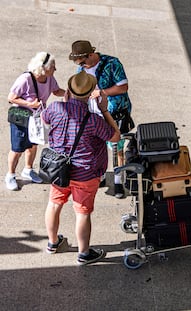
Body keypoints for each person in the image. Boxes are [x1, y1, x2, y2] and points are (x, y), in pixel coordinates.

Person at [42, 71, 120, 265]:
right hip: (85, 173)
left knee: (54, 204)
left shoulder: (55, 108)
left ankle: (52, 243)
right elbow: (115, 137)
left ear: (68, 90)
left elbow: (44, 119)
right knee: (82, 212)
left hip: (58, 169)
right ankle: (84, 253)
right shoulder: (94, 119)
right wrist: (104, 110)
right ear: (90, 94)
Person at [68, 40, 133, 199]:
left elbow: (123, 86)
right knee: (96, 146)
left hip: (114, 113)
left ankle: (118, 181)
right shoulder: (81, 68)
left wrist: (101, 92)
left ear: (91, 55)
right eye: (79, 64)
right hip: (92, 114)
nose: (83, 66)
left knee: (117, 146)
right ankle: (101, 176)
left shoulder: (112, 63)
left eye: (84, 62)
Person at [6, 52, 65, 191]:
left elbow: (56, 91)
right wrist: (29, 104)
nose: (55, 69)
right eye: (53, 66)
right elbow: (11, 98)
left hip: (36, 119)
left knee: (33, 145)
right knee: (17, 148)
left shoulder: (49, 78)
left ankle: (28, 169)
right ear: (43, 68)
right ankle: (10, 175)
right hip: (21, 119)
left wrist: (71, 93)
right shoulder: (25, 79)